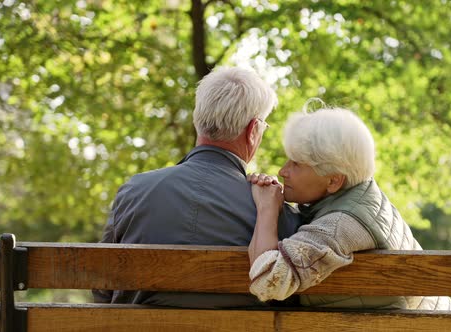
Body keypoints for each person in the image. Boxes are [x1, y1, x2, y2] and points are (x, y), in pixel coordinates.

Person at [93, 66, 302, 308]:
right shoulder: (274, 211)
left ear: (197, 119)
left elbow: (102, 283)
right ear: (253, 130)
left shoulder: (133, 191)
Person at [247, 106, 451, 310]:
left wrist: (267, 209)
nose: (282, 171)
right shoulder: (362, 200)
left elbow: (268, 282)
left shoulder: (342, 222)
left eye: (297, 164)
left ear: (334, 181)